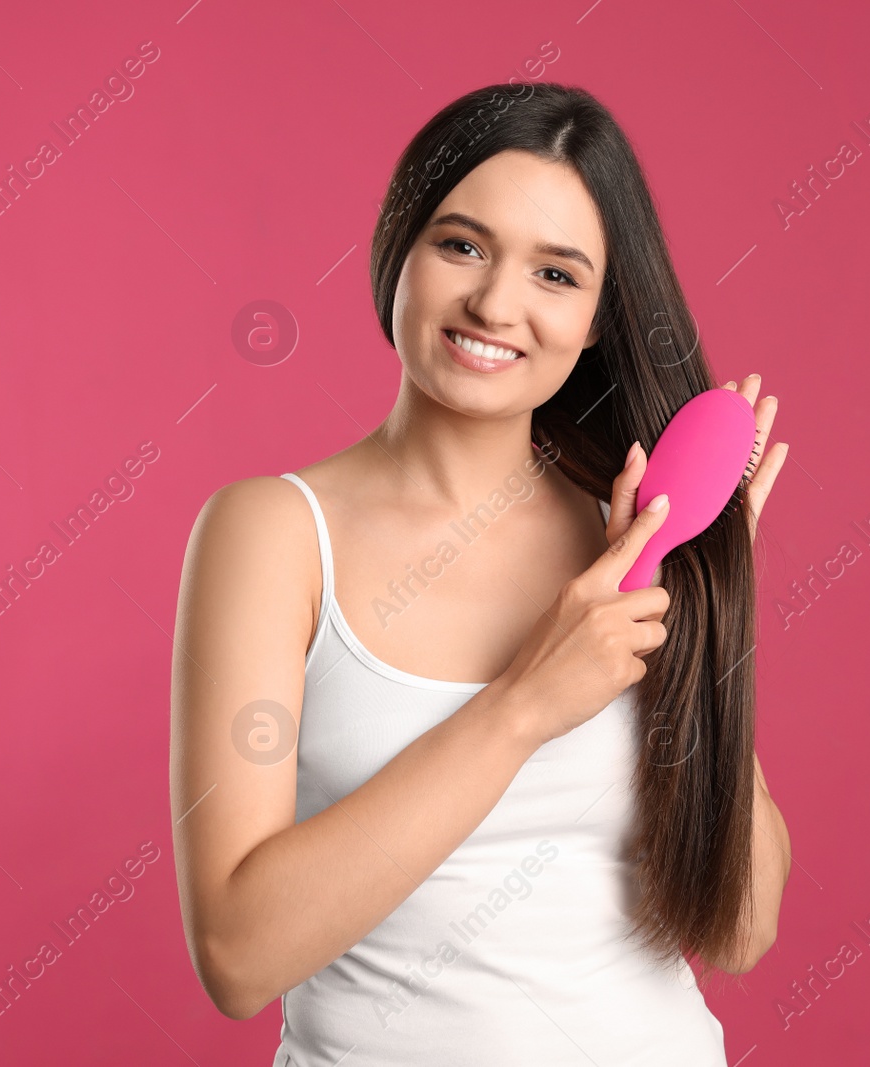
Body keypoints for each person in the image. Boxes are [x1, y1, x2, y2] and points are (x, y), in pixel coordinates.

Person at [170, 81, 791, 1065]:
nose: (496, 303)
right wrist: (522, 705)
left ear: (596, 318)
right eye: (461, 244)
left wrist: (707, 612)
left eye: (556, 274)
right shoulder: (275, 534)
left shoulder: (625, 545)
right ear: (398, 252)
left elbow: (742, 928)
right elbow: (238, 954)